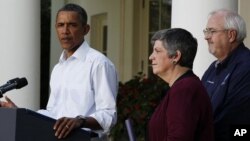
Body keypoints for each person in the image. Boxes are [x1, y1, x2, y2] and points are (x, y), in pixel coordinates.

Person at [0, 3, 118, 140]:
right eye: (60, 25)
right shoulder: (58, 68)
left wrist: (79, 121)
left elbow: (109, 115)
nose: (65, 31)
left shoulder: (99, 63)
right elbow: (53, 114)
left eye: (72, 25)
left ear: (86, 29)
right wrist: (20, 113)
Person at [147, 28, 213, 141]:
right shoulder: (184, 87)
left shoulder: (185, 90)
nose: (151, 57)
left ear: (175, 56)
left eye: (157, 51)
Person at [201, 9, 250, 141]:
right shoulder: (213, 67)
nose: (206, 36)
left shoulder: (246, 66)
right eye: (206, 31)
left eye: (212, 31)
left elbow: (233, 119)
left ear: (231, 35)